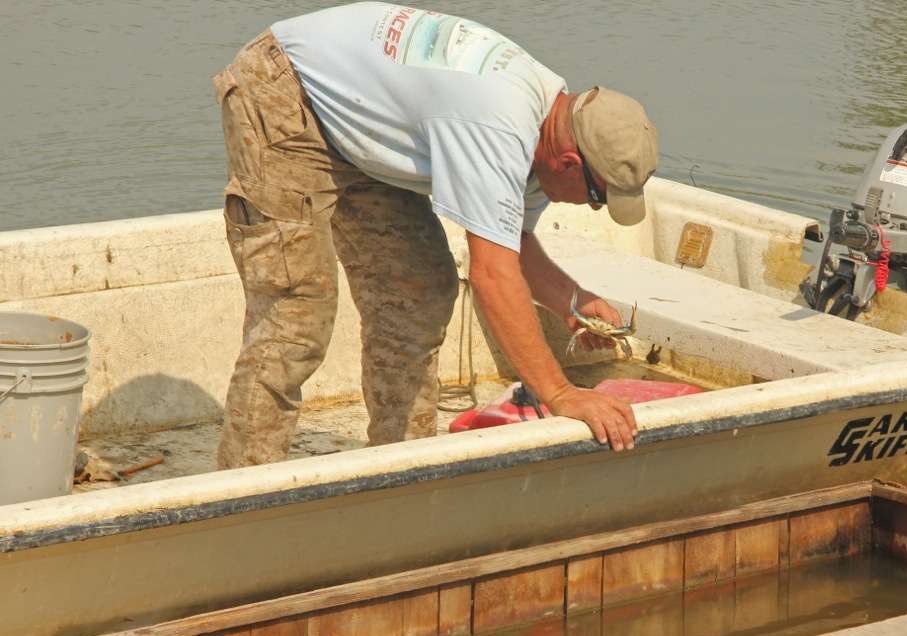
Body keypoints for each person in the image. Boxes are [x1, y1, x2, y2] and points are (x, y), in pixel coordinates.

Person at [212, 3, 658, 468]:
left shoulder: (553, 128)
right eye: (595, 196)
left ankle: (401, 467)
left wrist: (574, 302)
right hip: (285, 92)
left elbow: (513, 243)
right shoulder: (496, 124)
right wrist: (561, 393)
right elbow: (492, 274)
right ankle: (238, 493)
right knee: (297, 315)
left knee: (419, 293)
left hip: (359, 119)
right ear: (569, 162)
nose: (591, 207)